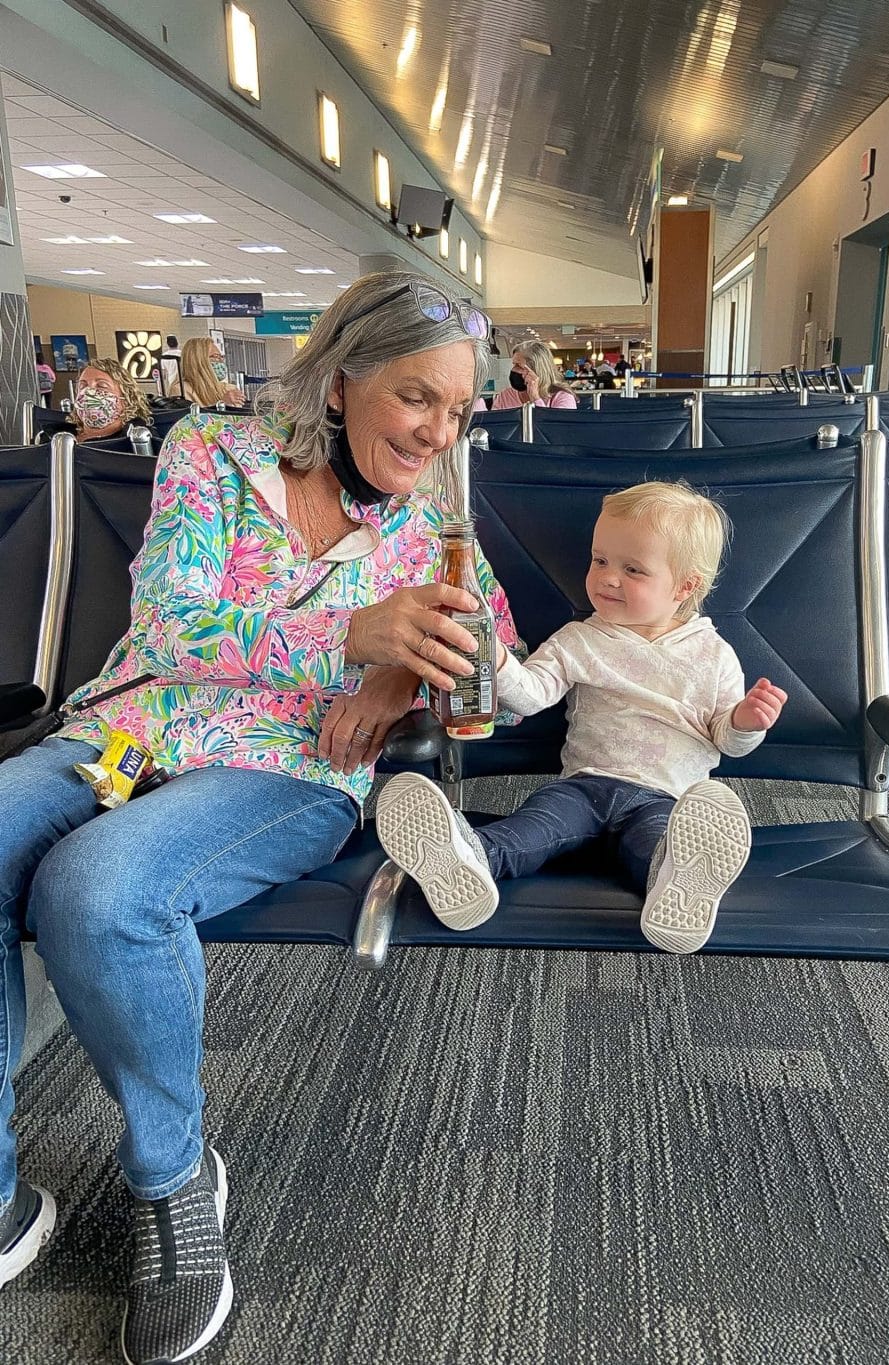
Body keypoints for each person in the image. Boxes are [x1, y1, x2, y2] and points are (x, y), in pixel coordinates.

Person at [0, 270, 518, 1363]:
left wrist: (403, 679)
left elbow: (493, 652)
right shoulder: (209, 451)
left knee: (98, 891)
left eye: (458, 410)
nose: (437, 431)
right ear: (341, 381)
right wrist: (353, 639)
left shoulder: (435, 527)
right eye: (417, 397)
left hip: (286, 769)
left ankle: (173, 1178)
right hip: (126, 736)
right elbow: (173, 619)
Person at [377, 480, 788, 955]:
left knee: (658, 847)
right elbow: (530, 696)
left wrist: (744, 722)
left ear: (685, 587)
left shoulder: (714, 656)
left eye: (633, 569)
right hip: (582, 787)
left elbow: (725, 741)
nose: (608, 577)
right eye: (600, 561)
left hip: (665, 798)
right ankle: (467, 860)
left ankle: (681, 885)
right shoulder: (579, 639)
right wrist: (499, 661)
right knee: (532, 830)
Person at [73, 358, 152, 442]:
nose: (88, 391)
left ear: (126, 399)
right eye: (82, 386)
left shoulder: (143, 438)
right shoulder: (61, 436)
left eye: (102, 385)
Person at [491, 340, 578, 409]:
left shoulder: (563, 398)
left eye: (519, 366)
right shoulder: (505, 396)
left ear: (537, 370)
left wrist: (535, 399)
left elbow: (554, 430)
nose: (513, 370)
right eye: (513, 365)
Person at [174, 337, 247, 407]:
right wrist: (222, 404)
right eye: (216, 356)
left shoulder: (228, 388)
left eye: (221, 357)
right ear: (198, 360)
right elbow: (187, 419)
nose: (221, 361)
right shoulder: (181, 390)